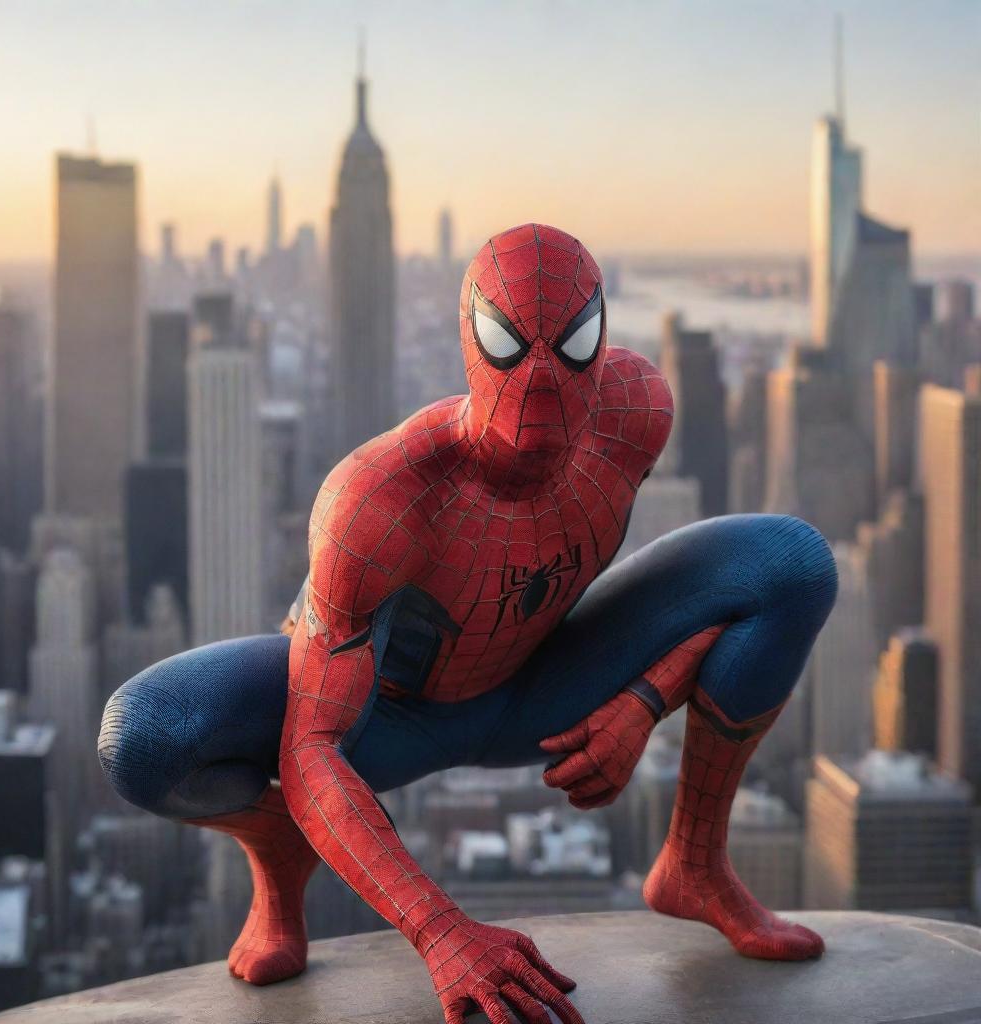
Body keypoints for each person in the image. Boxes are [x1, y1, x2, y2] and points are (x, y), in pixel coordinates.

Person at [100, 223, 837, 1024]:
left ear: (602, 334)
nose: (544, 379)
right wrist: (441, 932)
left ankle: (695, 864)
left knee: (791, 563)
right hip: (382, 719)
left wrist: (646, 701)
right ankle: (280, 853)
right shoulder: (380, 498)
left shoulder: (635, 410)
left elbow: (723, 606)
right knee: (143, 735)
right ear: (470, 343)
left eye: (573, 344)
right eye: (510, 344)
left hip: (545, 688)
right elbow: (309, 747)